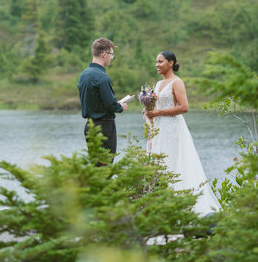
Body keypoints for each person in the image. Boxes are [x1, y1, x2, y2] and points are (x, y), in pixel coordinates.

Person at [145, 51, 221, 215]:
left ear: (171, 63)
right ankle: (162, 202)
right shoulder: (158, 84)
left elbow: (184, 107)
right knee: (159, 162)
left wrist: (159, 113)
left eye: (161, 61)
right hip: (159, 129)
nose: (157, 65)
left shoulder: (177, 83)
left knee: (174, 161)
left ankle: (182, 204)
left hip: (173, 128)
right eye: (156, 62)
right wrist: (149, 111)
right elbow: (156, 105)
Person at [77, 37, 128, 160]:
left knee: (96, 168)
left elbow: (97, 100)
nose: (111, 58)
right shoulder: (102, 77)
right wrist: (121, 107)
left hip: (89, 126)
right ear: (104, 54)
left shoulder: (84, 75)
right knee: (105, 167)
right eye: (111, 54)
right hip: (104, 127)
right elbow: (111, 104)